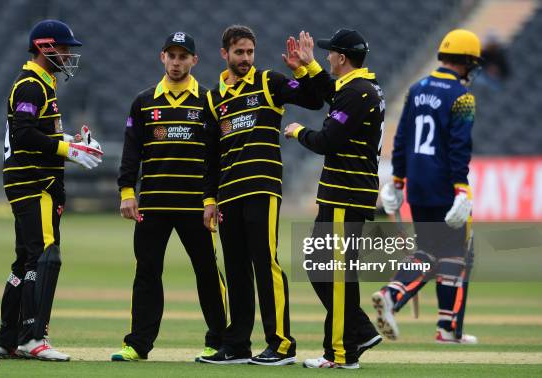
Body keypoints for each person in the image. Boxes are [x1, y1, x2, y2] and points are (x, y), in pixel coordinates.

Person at [199, 25, 323, 366]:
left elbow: (315, 100)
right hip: (228, 194)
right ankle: (238, 345)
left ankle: (281, 343)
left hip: (262, 188)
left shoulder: (270, 82)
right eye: (239, 53)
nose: (245, 59)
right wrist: (210, 200)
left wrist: (304, 68)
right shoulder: (213, 99)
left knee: (265, 262)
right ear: (225, 54)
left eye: (250, 52)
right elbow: (210, 156)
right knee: (237, 269)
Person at [111, 32, 227, 362]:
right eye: (171, 56)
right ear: (162, 57)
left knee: (207, 271)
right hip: (154, 205)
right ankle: (137, 344)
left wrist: (211, 198)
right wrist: (127, 192)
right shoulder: (144, 101)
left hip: (196, 206)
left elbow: (216, 155)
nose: (177, 62)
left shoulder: (209, 100)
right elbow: (131, 150)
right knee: (147, 273)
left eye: (183, 56)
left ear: (195, 60)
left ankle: (218, 341)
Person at [0, 19, 103, 361]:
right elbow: (23, 134)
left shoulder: (43, 83)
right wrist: (67, 151)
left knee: (26, 260)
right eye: (65, 48)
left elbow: (38, 133)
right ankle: (32, 337)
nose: (69, 54)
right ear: (45, 47)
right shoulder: (30, 85)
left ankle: (8, 338)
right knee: (44, 256)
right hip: (33, 184)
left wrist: (74, 143)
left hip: (32, 182)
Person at [284, 29, 384, 369]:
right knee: (318, 266)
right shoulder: (358, 88)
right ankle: (360, 329)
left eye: (329, 54)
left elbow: (327, 140)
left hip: (348, 191)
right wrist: (309, 66)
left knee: (337, 274)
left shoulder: (358, 92)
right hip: (341, 191)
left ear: (342, 58)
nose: (327, 57)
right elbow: (332, 93)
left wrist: (298, 131)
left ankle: (341, 354)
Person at [374, 29, 480, 345]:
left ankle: (446, 328)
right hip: (445, 183)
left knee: (432, 250)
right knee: (455, 254)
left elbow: (403, 137)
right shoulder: (462, 97)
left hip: (417, 183)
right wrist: (461, 188)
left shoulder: (416, 89)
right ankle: (395, 296)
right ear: (467, 62)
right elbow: (459, 146)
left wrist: (396, 181)